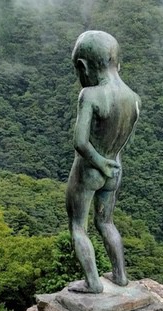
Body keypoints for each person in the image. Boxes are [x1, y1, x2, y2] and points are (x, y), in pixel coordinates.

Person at [66, 31, 140, 293]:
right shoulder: (133, 98)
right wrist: (109, 162)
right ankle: (120, 276)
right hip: (115, 168)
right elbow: (123, 136)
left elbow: (81, 142)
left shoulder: (90, 95)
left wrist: (97, 161)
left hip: (90, 171)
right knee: (106, 222)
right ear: (116, 62)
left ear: (83, 66)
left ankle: (93, 283)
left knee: (78, 225)